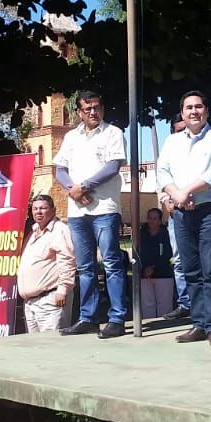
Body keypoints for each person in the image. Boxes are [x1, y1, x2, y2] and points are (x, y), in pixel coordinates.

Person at [156, 90, 211, 347]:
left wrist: (186, 191)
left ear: (206, 111)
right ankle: (198, 323)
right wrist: (176, 195)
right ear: (182, 113)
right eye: (188, 107)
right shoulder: (173, 142)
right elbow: (162, 172)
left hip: (209, 211)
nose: (193, 111)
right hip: (181, 213)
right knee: (190, 268)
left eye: (198, 107)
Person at [54, 90, 130, 339]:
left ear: (103, 108)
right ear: (79, 111)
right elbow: (60, 169)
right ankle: (88, 317)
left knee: (111, 263)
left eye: (96, 107)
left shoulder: (113, 133)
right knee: (85, 267)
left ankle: (117, 318)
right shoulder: (71, 137)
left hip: (104, 209)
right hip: (77, 211)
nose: (93, 112)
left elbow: (112, 166)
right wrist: (73, 191)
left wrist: (83, 187)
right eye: (87, 109)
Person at [18, 195, 75, 333]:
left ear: (53, 210)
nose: (38, 212)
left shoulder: (59, 230)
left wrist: (63, 289)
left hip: (51, 300)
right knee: (36, 349)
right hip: (30, 304)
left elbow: (68, 261)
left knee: (53, 347)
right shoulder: (33, 232)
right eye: (35, 208)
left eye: (43, 208)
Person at [160, 117, 193, 321]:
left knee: (202, 260)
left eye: (184, 129)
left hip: (198, 209)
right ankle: (185, 303)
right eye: (178, 129)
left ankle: (204, 304)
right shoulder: (170, 150)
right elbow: (161, 178)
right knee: (179, 260)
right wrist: (166, 200)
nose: (182, 132)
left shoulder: (200, 148)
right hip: (176, 214)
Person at [135, 208, 174, 280]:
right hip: (144, 270)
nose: (151, 221)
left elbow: (167, 253)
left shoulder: (165, 234)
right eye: (149, 218)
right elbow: (138, 253)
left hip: (162, 270)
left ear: (160, 221)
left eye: (155, 218)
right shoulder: (141, 234)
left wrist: (154, 268)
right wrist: (145, 269)